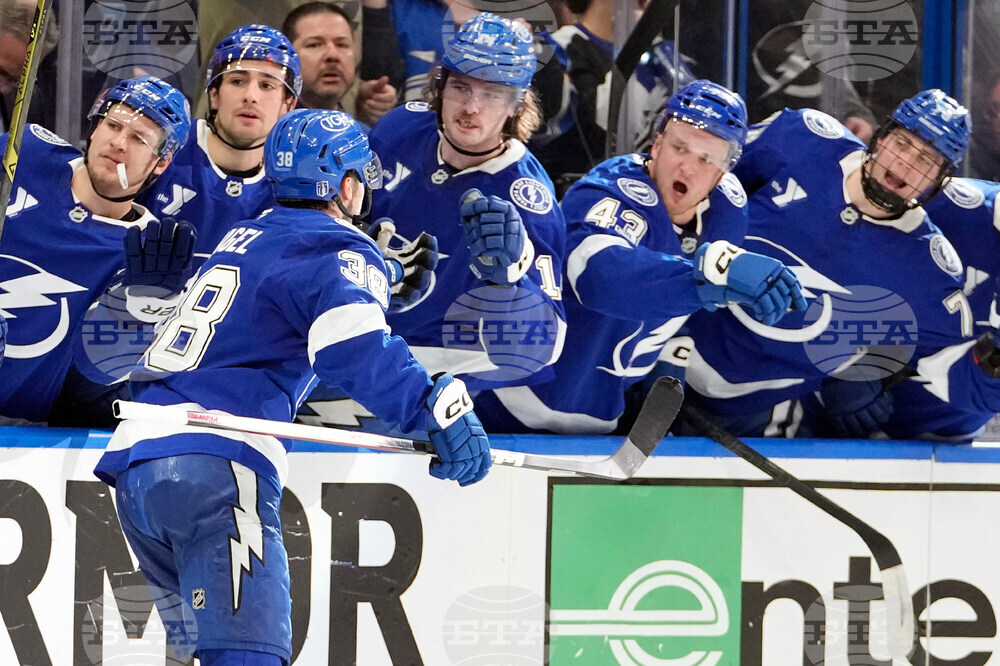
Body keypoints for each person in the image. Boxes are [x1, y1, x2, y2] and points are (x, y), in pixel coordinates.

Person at [94, 108, 492, 665]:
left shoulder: (244, 235)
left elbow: (281, 300)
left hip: (139, 468)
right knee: (247, 657)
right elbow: (352, 350)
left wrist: (380, 279)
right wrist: (434, 408)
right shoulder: (340, 250)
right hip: (218, 464)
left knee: (199, 656)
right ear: (347, 185)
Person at [472, 80, 806, 433]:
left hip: (604, 418)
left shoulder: (728, 206)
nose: (687, 167)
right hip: (510, 400)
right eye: (679, 147)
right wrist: (712, 274)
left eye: (706, 159)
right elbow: (601, 279)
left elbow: (695, 301)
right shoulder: (610, 191)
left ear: (722, 172)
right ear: (657, 144)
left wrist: (669, 360)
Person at [298, 12, 568, 430]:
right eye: (461, 86)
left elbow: (547, 347)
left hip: (432, 379)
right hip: (349, 341)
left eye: (493, 93)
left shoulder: (529, 200)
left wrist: (512, 283)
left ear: (517, 104)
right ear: (441, 84)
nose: (471, 108)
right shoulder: (402, 127)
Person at [676, 90, 973, 438]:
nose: (906, 163)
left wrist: (869, 370)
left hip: (755, 418)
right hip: (663, 357)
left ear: (940, 181)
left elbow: (946, 354)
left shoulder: (931, 270)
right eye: (903, 144)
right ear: (881, 135)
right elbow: (697, 187)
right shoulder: (801, 137)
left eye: (926, 161)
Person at [0, 75, 193, 424]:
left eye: (138, 139)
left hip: (27, 427)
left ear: (162, 162)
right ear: (94, 128)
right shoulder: (25, 152)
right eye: (113, 125)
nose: (119, 142)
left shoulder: (148, 252)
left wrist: (141, 316)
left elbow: (96, 376)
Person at [140, 24, 301, 262]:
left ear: (288, 105)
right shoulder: (163, 144)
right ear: (214, 94)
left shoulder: (298, 178)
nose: (251, 96)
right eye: (237, 81)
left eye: (267, 85)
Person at [282, 2, 397, 126]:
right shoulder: (267, 135)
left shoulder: (367, 138)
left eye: (342, 45)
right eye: (315, 44)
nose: (333, 55)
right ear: (286, 58)